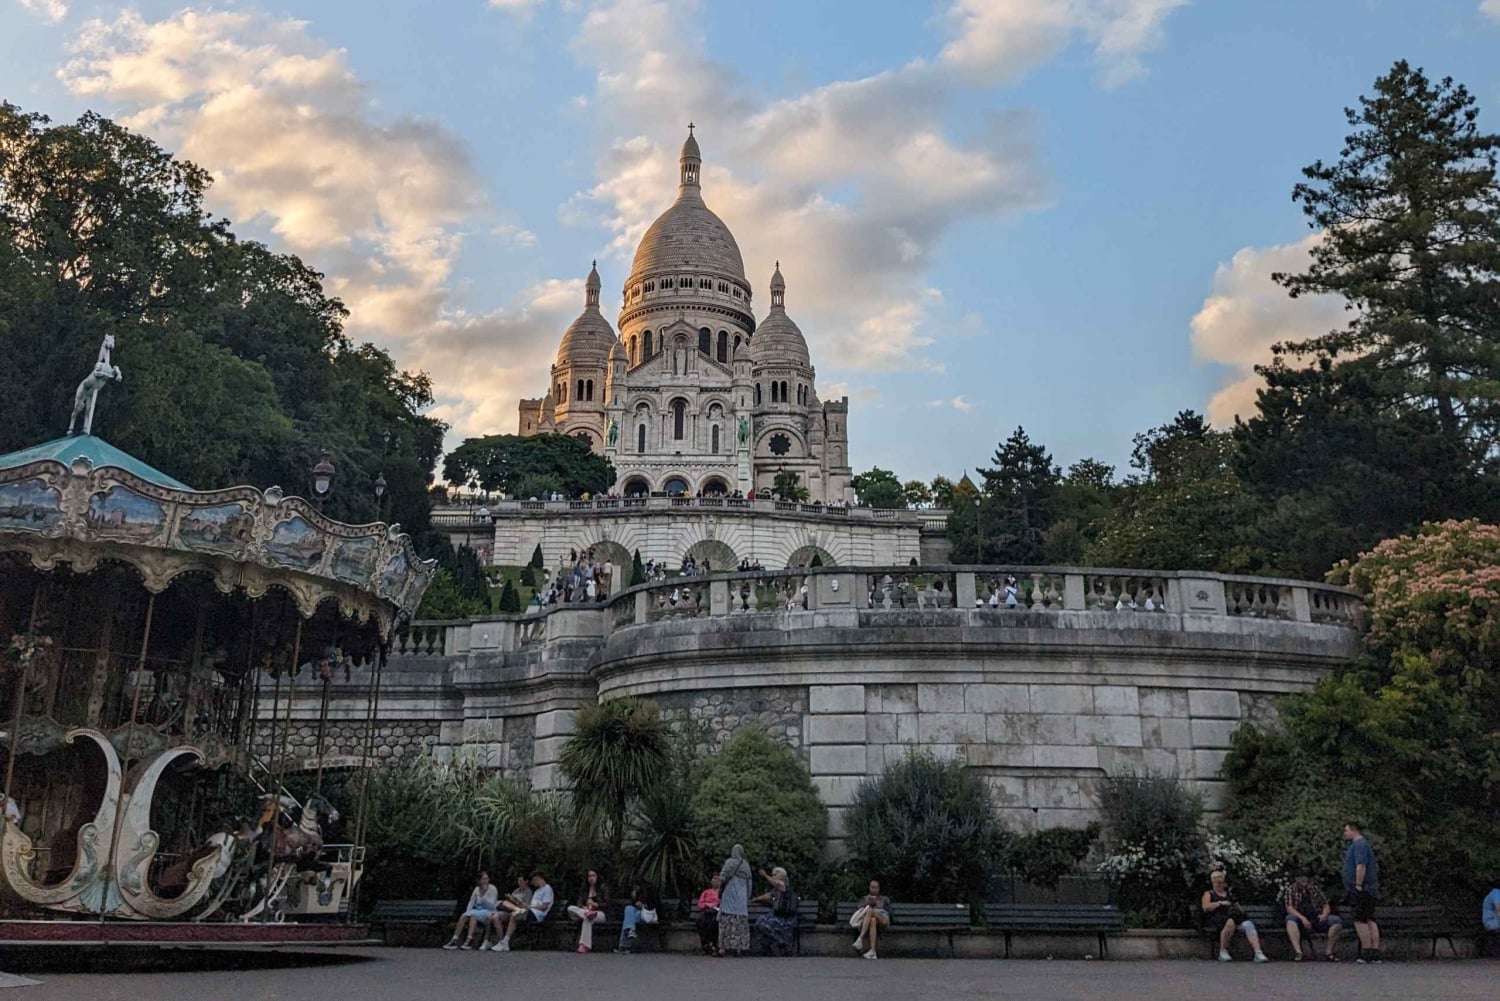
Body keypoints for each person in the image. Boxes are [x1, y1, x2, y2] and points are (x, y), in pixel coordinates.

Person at [1202, 870, 1268, 963]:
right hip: (1217, 918)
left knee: (1248, 925)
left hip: (1234, 917)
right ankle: (1223, 950)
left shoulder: (1230, 894)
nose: (1219, 884)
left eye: (1221, 882)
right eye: (1217, 882)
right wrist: (1220, 903)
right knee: (1230, 922)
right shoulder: (1209, 894)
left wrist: (1235, 907)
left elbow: (1239, 908)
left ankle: (1258, 952)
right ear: (1213, 882)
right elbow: (1206, 907)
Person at [1342, 822, 1382, 963]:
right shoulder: (1361, 845)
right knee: (1370, 919)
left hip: (1362, 889)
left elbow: (1361, 865)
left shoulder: (1359, 845)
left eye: (1346, 830)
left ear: (1354, 830)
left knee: (1360, 920)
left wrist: (1358, 885)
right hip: (1369, 889)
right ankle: (1375, 952)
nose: (1344, 833)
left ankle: (1366, 951)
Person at [1281, 874, 1343, 961]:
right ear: (1296, 879)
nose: (1304, 879)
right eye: (1301, 877)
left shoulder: (1314, 889)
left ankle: (1329, 952)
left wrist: (1324, 915)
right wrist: (1303, 918)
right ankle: (1298, 953)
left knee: (1336, 921)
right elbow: (1289, 908)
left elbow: (1325, 905)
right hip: (1300, 920)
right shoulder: (1291, 890)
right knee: (1290, 919)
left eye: (1305, 877)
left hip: (1316, 917)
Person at [492, 871, 553, 953]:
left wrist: (530, 907)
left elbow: (544, 906)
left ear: (538, 879)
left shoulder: (547, 889)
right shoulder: (537, 891)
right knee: (505, 912)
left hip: (537, 914)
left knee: (514, 915)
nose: (533, 883)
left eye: (534, 880)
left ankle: (505, 942)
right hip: (529, 910)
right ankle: (503, 941)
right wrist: (521, 904)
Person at [443, 871, 499, 950]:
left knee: (473, 916)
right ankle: (454, 939)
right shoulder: (476, 889)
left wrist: (483, 895)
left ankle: (469, 940)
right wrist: (467, 912)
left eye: (486, 879)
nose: (485, 881)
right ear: (479, 880)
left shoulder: (492, 889)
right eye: (483, 879)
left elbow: (492, 905)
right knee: (464, 916)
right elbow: (471, 902)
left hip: (488, 911)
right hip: (477, 910)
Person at [751, 866, 797, 956]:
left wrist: (765, 875)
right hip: (775, 915)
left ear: (782, 876)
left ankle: (782, 943)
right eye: (772, 874)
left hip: (785, 918)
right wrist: (755, 899)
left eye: (776, 874)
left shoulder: (785, 886)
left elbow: (777, 884)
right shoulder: (775, 890)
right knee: (760, 922)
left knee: (768, 924)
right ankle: (769, 946)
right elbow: (768, 896)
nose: (773, 876)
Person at [717, 844, 752, 957]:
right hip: (741, 898)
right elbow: (749, 883)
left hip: (729, 895)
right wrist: (748, 897)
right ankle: (740, 948)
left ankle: (725, 947)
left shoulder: (729, 862)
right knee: (740, 923)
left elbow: (722, 878)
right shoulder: (746, 865)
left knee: (727, 921)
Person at [565, 869, 610, 954]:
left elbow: (607, 904)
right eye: (589, 876)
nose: (591, 878)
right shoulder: (585, 889)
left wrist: (595, 904)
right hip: (586, 911)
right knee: (571, 908)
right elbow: (579, 903)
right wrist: (584, 907)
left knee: (588, 918)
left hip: (599, 913)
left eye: (593, 876)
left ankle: (583, 945)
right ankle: (584, 945)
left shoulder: (602, 888)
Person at [612, 882, 660, 954]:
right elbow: (634, 906)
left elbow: (656, 905)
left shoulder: (651, 891)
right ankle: (630, 931)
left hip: (648, 915)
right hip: (638, 915)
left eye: (636, 886)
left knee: (628, 920)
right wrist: (634, 898)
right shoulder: (636, 893)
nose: (635, 888)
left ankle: (624, 946)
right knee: (628, 909)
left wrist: (644, 906)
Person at [850, 879, 891, 960]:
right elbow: (859, 911)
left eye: (875, 887)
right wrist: (867, 903)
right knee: (873, 920)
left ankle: (860, 939)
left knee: (870, 912)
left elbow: (889, 911)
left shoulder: (884, 899)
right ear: (869, 888)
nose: (874, 889)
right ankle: (872, 951)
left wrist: (876, 905)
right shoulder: (864, 899)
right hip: (870, 921)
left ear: (879, 888)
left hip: (883, 918)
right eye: (872, 887)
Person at [695, 875, 722, 955]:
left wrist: (714, 905)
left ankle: (713, 944)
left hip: (717, 912)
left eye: (717, 879)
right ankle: (705, 944)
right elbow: (700, 904)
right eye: (714, 878)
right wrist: (708, 905)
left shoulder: (722, 892)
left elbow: (722, 903)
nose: (715, 881)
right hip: (706, 911)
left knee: (714, 923)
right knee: (700, 921)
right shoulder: (706, 892)